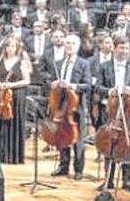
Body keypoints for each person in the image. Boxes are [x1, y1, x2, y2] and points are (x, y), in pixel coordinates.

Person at [97, 34, 130, 194]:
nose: (124, 51)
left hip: (128, 112)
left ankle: (127, 181)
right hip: (110, 112)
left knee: (127, 145)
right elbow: (97, 87)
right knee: (108, 144)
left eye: (126, 48)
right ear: (114, 48)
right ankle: (108, 180)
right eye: (121, 47)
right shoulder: (104, 66)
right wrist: (109, 91)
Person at [50, 34, 91, 180]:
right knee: (62, 136)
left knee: (78, 139)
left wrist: (71, 86)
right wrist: (54, 83)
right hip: (61, 106)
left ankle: (78, 170)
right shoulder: (59, 63)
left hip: (76, 106)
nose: (69, 46)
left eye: (72, 43)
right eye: (67, 43)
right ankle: (63, 166)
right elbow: (51, 80)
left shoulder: (83, 63)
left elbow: (87, 85)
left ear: (78, 46)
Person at [0, 36, 31, 164]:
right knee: (1, 124)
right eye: (8, 46)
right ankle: (0, 155)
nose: (10, 49)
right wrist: (0, 84)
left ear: (17, 48)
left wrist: (12, 85)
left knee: (15, 123)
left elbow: (27, 80)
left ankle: (14, 156)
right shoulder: (0, 60)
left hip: (17, 96)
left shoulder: (21, 62)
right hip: (2, 96)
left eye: (13, 46)